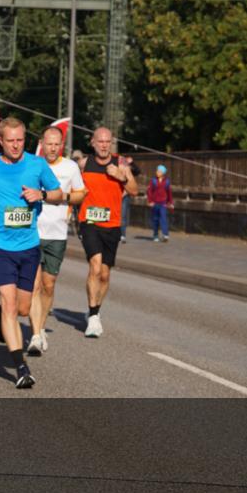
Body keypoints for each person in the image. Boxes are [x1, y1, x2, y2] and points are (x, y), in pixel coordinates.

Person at [0, 117, 62, 388]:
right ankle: (21, 368)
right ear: (1, 140)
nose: (16, 145)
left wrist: (41, 195)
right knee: (10, 303)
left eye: (20, 140)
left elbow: (58, 193)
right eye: (11, 140)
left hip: (28, 245)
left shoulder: (37, 164)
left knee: (22, 308)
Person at [27, 126, 86, 355]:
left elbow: (82, 193)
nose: (52, 148)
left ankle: (40, 327)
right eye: (48, 143)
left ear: (61, 145)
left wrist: (64, 197)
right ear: (42, 142)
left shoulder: (70, 167)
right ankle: (35, 334)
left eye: (56, 144)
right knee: (33, 285)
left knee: (48, 285)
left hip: (57, 235)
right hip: (32, 233)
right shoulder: (31, 164)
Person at [77, 127, 137, 338]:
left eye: (107, 142)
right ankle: (93, 317)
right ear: (92, 142)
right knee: (95, 266)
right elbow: (73, 189)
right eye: (100, 141)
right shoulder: (84, 164)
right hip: (89, 221)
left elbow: (134, 191)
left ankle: (95, 310)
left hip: (112, 225)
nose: (103, 145)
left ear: (111, 143)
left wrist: (121, 176)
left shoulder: (121, 163)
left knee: (105, 273)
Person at [147, 165, 174, 242]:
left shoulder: (167, 181)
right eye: (157, 171)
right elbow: (149, 191)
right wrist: (150, 201)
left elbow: (169, 193)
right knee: (155, 219)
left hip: (163, 203)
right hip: (155, 203)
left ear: (163, 173)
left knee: (163, 218)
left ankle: (165, 234)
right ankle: (155, 234)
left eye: (159, 171)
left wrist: (170, 202)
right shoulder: (153, 180)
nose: (157, 172)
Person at [119, 155, 141, 243]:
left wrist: (132, 163)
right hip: (115, 195)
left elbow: (137, 171)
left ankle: (122, 235)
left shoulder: (128, 169)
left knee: (123, 216)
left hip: (125, 195)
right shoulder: (115, 168)